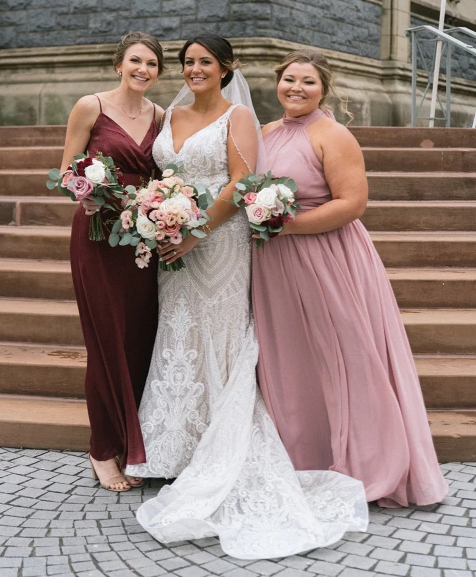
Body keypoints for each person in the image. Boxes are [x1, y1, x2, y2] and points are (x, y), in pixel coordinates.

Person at [125, 34, 368, 560]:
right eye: (187, 62)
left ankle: (223, 444)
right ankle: (174, 446)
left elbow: (239, 184)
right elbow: (165, 174)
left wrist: (194, 231)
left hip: (220, 239)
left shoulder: (238, 119)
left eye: (204, 62)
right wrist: (158, 216)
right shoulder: (171, 112)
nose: (194, 70)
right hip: (176, 238)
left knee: (222, 333)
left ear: (226, 68)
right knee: (179, 330)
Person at [251, 48, 449, 508]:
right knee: (291, 357)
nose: (296, 88)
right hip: (273, 263)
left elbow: (352, 203)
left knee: (345, 353)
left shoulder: (333, 135)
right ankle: (304, 455)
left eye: (308, 82)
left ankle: (366, 458)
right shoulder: (266, 131)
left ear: (324, 89)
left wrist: (286, 224)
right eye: (289, 80)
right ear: (277, 83)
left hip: (326, 258)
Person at [62, 30, 164, 492]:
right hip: (99, 234)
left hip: (142, 239)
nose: (143, 70)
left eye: (152, 64)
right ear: (118, 64)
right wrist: (88, 191)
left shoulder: (163, 116)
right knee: (105, 338)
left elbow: (166, 174)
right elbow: (67, 169)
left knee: (138, 338)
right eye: (136, 61)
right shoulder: (91, 107)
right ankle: (102, 448)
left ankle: (135, 444)